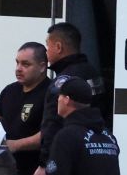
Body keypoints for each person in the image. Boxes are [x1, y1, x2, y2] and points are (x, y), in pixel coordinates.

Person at [21, 77, 122, 175]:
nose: (57, 101)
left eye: (59, 97)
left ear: (66, 100)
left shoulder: (66, 135)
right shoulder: (108, 136)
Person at [37, 21, 102, 167]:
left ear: (58, 47)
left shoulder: (61, 82)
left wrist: (44, 164)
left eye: (48, 46)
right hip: (94, 151)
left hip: (67, 155)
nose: (46, 52)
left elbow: (52, 125)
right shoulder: (92, 72)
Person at [0, 40, 51, 175]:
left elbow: (50, 133)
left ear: (42, 67)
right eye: (17, 63)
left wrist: (15, 145)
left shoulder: (51, 93)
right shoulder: (9, 90)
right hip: (5, 171)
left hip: (35, 173)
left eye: (26, 64)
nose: (18, 68)